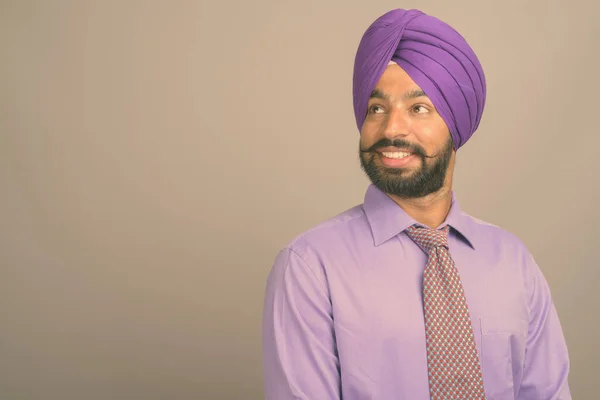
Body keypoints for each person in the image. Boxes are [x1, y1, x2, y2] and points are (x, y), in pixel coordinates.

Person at [261, 8, 571, 400]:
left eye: (418, 108)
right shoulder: (309, 268)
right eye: (377, 108)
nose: (391, 129)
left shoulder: (512, 262)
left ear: (456, 124)